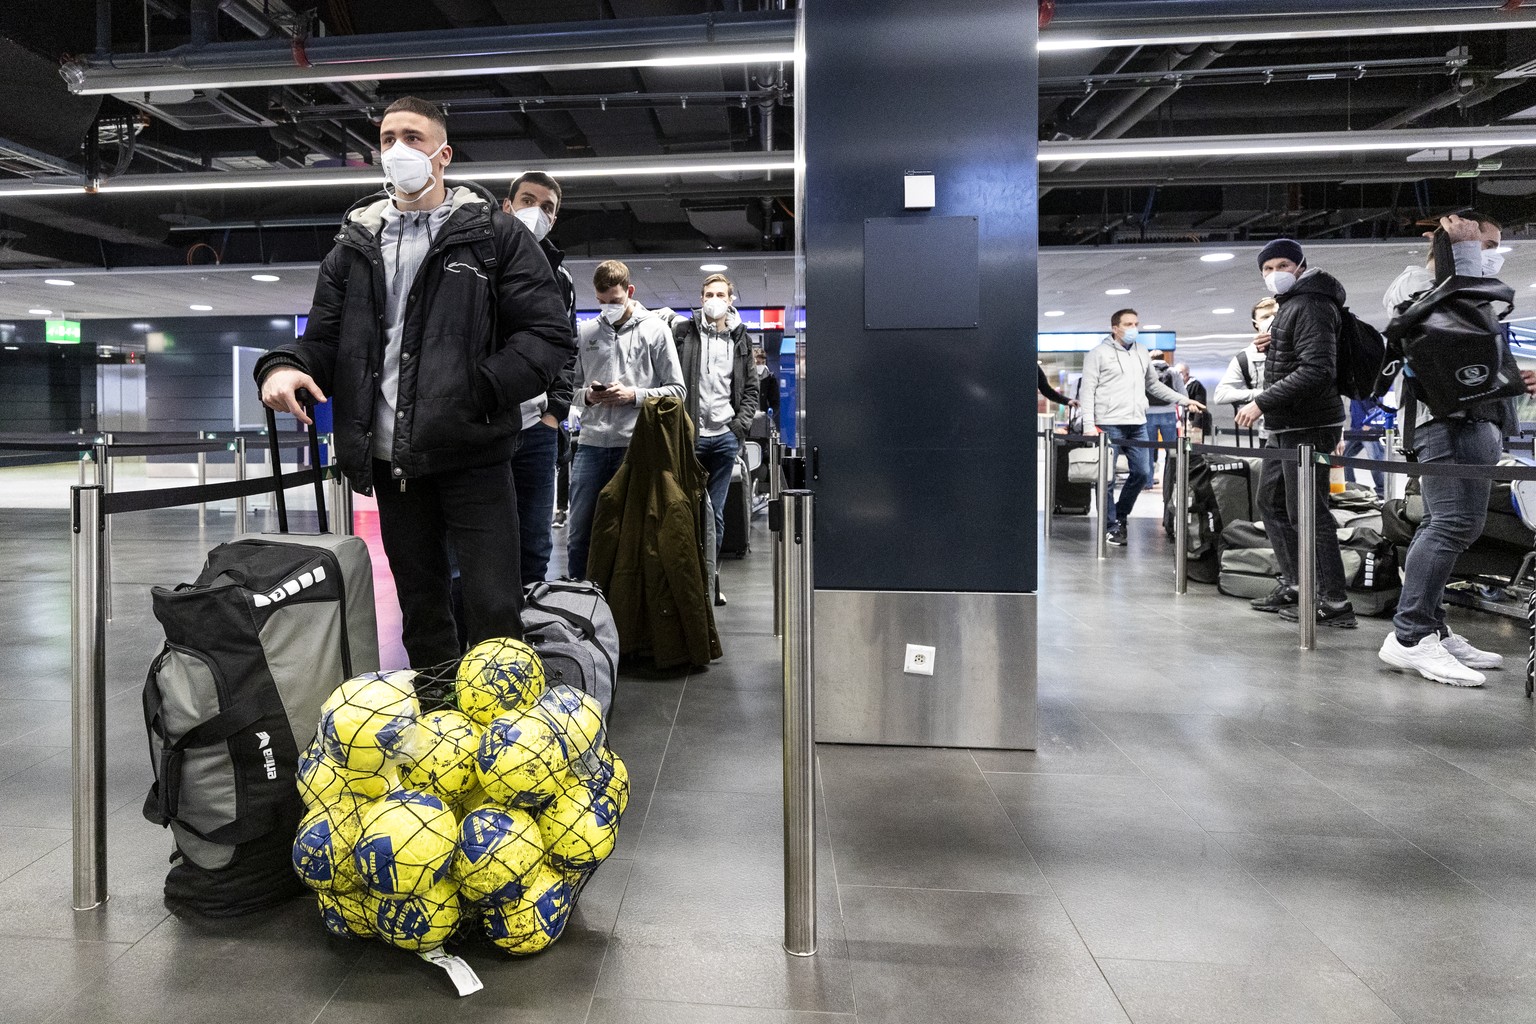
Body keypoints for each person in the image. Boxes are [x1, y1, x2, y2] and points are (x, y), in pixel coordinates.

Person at [256, 96, 574, 670]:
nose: (398, 149)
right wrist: (283, 363)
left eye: (413, 137)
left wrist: (479, 391)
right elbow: (327, 338)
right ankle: (437, 732)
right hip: (390, 460)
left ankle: (506, 740)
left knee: (493, 606)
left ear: (443, 154)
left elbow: (547, 336)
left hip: (472, 451)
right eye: (387, 138)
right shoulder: (354, 244)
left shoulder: (495, 237)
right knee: (422, 608)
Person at [1377, 211, 1526, 686]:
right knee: (1450, 523)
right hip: (1443, 423)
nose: (1493, 255)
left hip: (1477, 421)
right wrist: (1457, 252)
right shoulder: (1415, 284)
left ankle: (1431, 628)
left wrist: (1511, 381)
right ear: (1453, 244)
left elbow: (1473, 350)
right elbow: (1437, 330)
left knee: (1463, 525)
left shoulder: (1472, 292)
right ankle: (1409, 636)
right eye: (1486, 244)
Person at [1234, 238, 1353, 628]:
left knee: (1309, 513)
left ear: (1300, 266)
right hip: (1286, 425)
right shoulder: (1294, 306)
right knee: (1271, 502)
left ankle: (1334, 601)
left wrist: (1261, 401)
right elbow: (1301, 359)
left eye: (1281, 265)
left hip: (1307, 424)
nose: (1274, 274)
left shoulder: (1312, 304)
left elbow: (1318, 370)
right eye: (1267, 269)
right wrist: (1276, 345)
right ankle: (1297, 583)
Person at [565, 258, 686, 581]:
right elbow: (570, 390)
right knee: (580, 535)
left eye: (615, 301)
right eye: (601, 303)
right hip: (590, 444)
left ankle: (626, 608)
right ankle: (579, 602)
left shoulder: (656, 331)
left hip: (633, 448)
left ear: (630, 291)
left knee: (632, 535)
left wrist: (633, 396)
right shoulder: (587, 331)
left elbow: (677, 391)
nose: (608, 308)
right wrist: (588, 396)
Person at [501, 171, 578, 586]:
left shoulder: (560, 278)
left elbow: (566, 351)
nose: (537, 212)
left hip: (537, 429)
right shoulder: (475, 262)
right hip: (482, 429)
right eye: (527, 200)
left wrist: (555, 413)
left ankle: (524, 641)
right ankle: (473, 645)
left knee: (534, 546)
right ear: (506, 205)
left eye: (547, 207)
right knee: (473, 547)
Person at [1079, 308, 1205, 546]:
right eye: (1128, 324)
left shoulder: (1141, 352)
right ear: (1115, 328)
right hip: (1108, 422)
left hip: (1137, 422)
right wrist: (1088, 425)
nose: (1133, 328)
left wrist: (1184, 399)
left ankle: (1119, 514)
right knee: (1105, 477)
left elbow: (1154, 386)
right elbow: (1088, 391)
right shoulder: (1098, 354)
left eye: (1136, 323)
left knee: (1143, 473)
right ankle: (1110, 526)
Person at [672, 272, 761, 606]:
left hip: (724, 438)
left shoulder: (740, 339)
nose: (714, 300)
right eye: (709, 293)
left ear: (730, 299)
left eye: (720, 294)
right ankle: (687, 582)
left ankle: (709, 581)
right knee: (684, 513)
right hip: (690, 438)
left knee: (715, 516)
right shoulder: (684, 333)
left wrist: (737, 428)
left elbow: (750, 390)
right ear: (701, 297)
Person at [1215, 298, 1275, 444]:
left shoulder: (1303, 347)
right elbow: (1220, 395)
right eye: (1266, 317)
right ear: (1256, 324)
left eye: (1277, 315)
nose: (1273, 320)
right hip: (1268, 433)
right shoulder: (1246, 357)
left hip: (1305, 429)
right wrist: (1262, 395)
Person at [1143, 349, 1185, 480]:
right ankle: (1171, 480)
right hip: (1169, 413)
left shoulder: (1143, 371)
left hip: (1148, 414)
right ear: (1164, 357)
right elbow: (1182, 393)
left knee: (1148, 450)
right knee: (1171, 449)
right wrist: (1182, 414)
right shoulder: (1173, 372)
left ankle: (1148, 481)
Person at [1341, 398, 1388, 499]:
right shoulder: (1353, 389)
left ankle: (1382, 489)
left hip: (1368, 429)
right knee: (1344, 455)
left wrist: (1369, 423)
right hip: (1357, 429)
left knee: (1374, 458)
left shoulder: (1364, 387)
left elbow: (1377, 404)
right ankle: (1350, 485)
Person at [1175, 364, 1211, 439]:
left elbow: (1200, 406)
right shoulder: (1174, 385)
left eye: (1180, 373)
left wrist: (1196, 425)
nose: (1177, 375)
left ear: (1187, 374)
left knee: (1190, 446)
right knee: (1178, 446)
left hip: (1190, 422)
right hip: (1176, 422)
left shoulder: (1196, 386)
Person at [755, 347, 781, 423]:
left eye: (763, 363)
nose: (761, 366)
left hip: (763, 418)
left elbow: (775, 401)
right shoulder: (745, 377)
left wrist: (771, 413)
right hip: (747, 419)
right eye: (757, 363)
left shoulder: (769, 378)